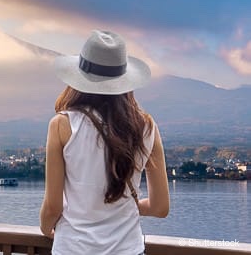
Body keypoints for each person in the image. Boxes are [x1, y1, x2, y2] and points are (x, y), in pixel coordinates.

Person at [39, 30, 170, 255]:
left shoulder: (62, 125)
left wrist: (45, 228)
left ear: (78, 78)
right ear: (125, 80)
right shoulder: (146, 127)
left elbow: (53, 207)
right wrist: (119, 208)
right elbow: (160, 207)